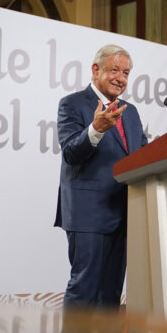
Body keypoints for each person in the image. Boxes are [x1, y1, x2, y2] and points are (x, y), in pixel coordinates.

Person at [54, 44, 148, 307]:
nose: (121, 78)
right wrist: (95, 128)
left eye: (126, 73)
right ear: (96, 70)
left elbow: (142, 154)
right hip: (88, 215)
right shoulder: (72, 103)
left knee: (111, 296)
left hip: (124, 213)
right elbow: (71, 153)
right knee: (84, 290)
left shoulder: (130, 112)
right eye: (114, 70)